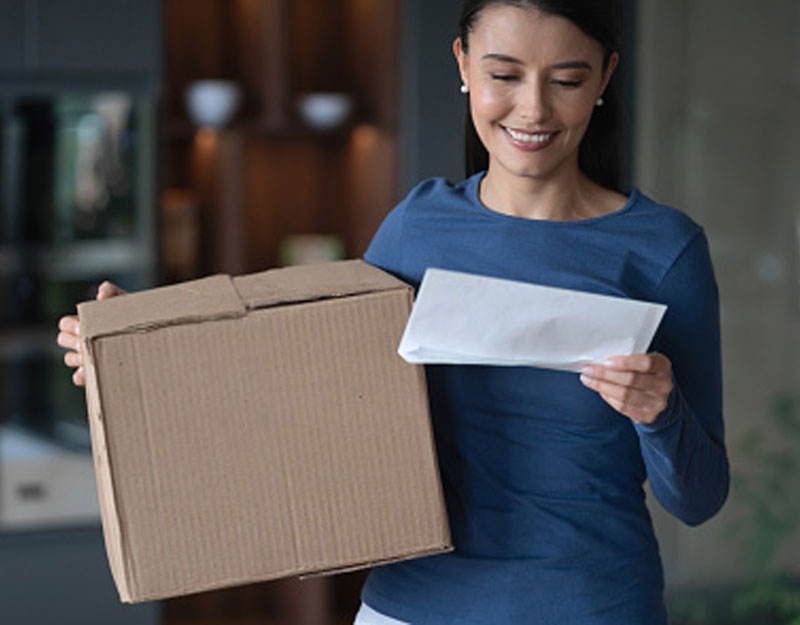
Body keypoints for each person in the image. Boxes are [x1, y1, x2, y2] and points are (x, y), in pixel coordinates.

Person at [58, 1, 729, 623]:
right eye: (504, 74)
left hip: (590, 605)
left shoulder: (662, 251)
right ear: (463, 65)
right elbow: (302, 391)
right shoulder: (418, 230)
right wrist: (135, 356)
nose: (532, 109)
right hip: (412, 607)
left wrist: (659, 410)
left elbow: (699, 499)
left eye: (567, 80)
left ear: (606, 77)